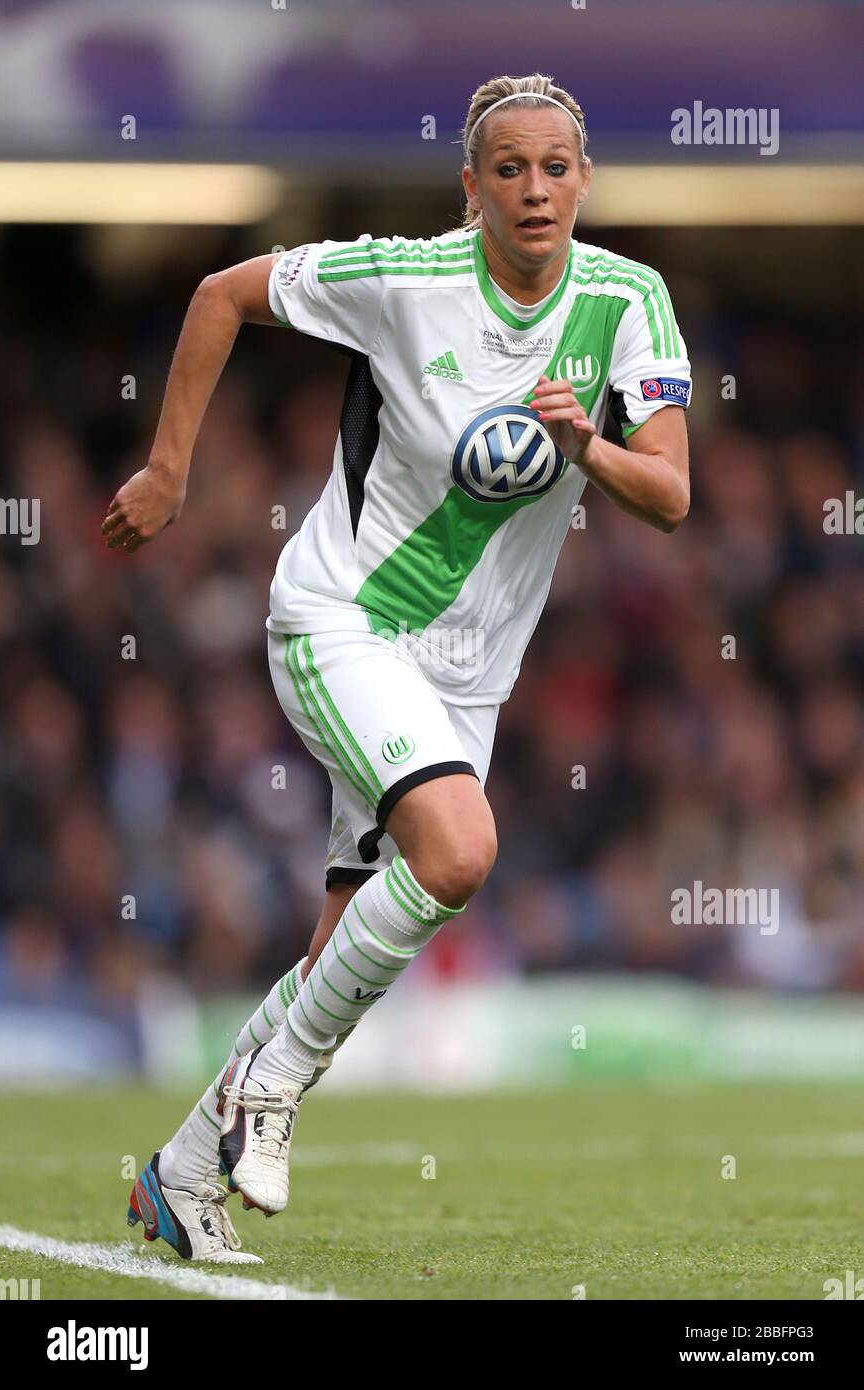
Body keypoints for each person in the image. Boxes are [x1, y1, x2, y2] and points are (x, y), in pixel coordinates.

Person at [108, 72, 691, 1263]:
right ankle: (264, 1094)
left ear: (585, 179)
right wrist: (167, 471)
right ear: (470, 187)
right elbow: (223, 294)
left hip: (467, 679)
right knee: (462, 850)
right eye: (510, 168)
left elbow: (673, 496)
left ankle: (179, 1168)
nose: (536, 189)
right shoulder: (405, 279)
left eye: (557, 166)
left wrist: (588, 443)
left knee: (342, 952)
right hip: (343, 621)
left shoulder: (630, 300)